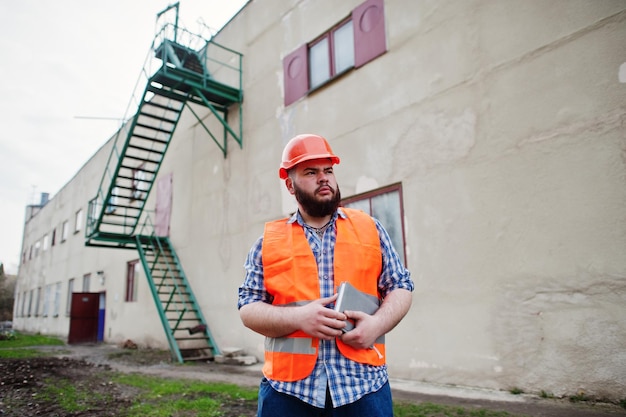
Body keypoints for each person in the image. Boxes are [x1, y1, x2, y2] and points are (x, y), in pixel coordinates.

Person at [238, 133, 414, 417]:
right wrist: (298, 318)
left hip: (364, 387)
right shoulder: (267, 243)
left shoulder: (370, 229)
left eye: (328, 170)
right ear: (290, 184)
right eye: (310, 172)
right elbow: (248, 307)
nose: (324, 178)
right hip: (289, 393)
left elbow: (401, 286)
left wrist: (377, 325)